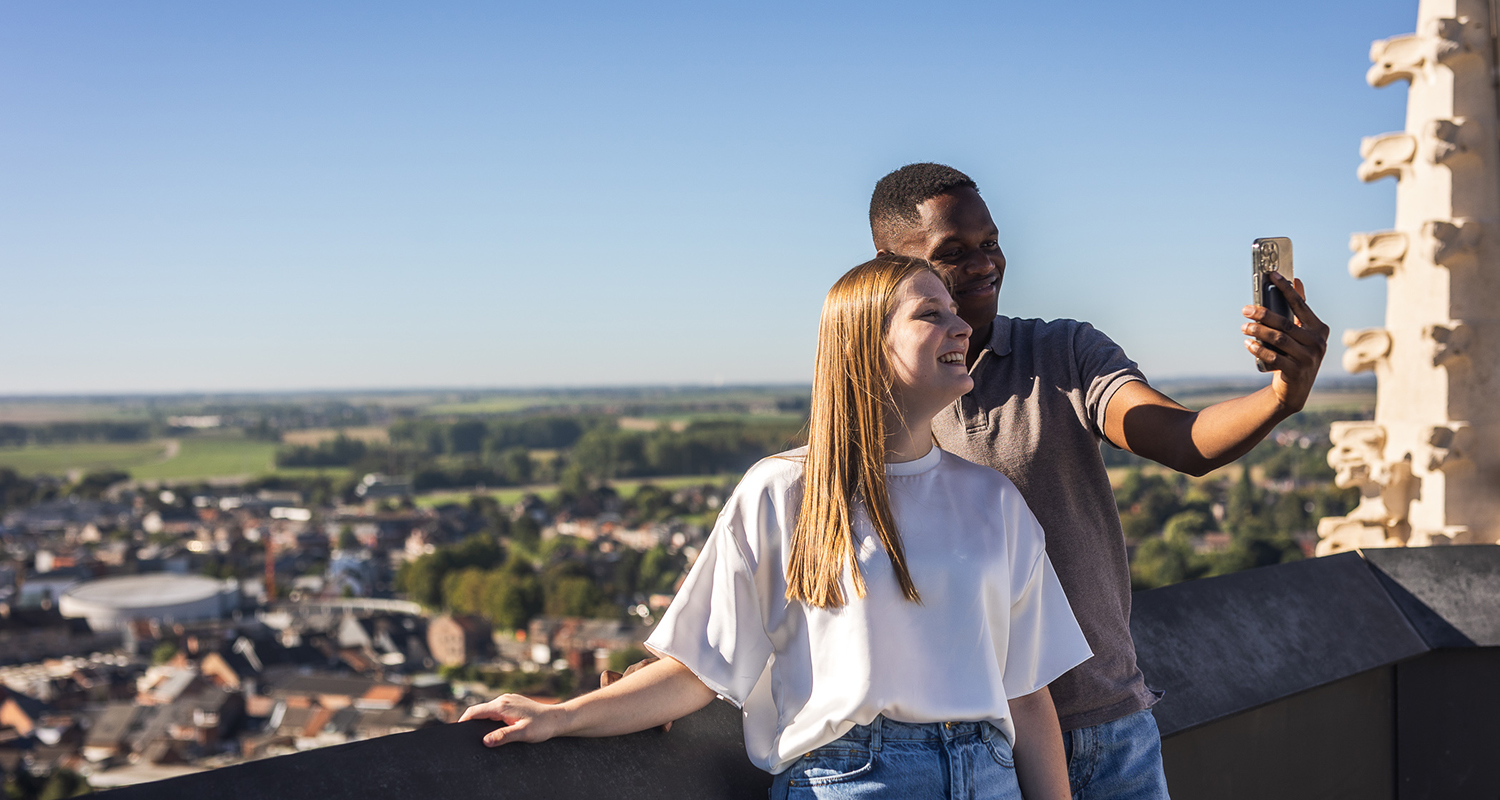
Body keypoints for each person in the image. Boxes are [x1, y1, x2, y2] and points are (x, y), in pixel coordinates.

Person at [461, 255, 1095, 799]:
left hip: (991, 778)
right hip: (852, 783)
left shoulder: (992, 499)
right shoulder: (784, 492)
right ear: (862, 344)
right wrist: (561, 717)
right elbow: (696, 670)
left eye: (955, 311)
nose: (962, 324)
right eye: (929, 313)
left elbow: (1026, 695)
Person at [867, 163, 1330, 798]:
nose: (984, 264)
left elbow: (1185, 441)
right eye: (953, 253)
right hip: (969, 749)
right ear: (887, 267)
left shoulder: (1061, 353)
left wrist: (1283, 394)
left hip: (1109, 734)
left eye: (991, 243)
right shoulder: (869, 403)